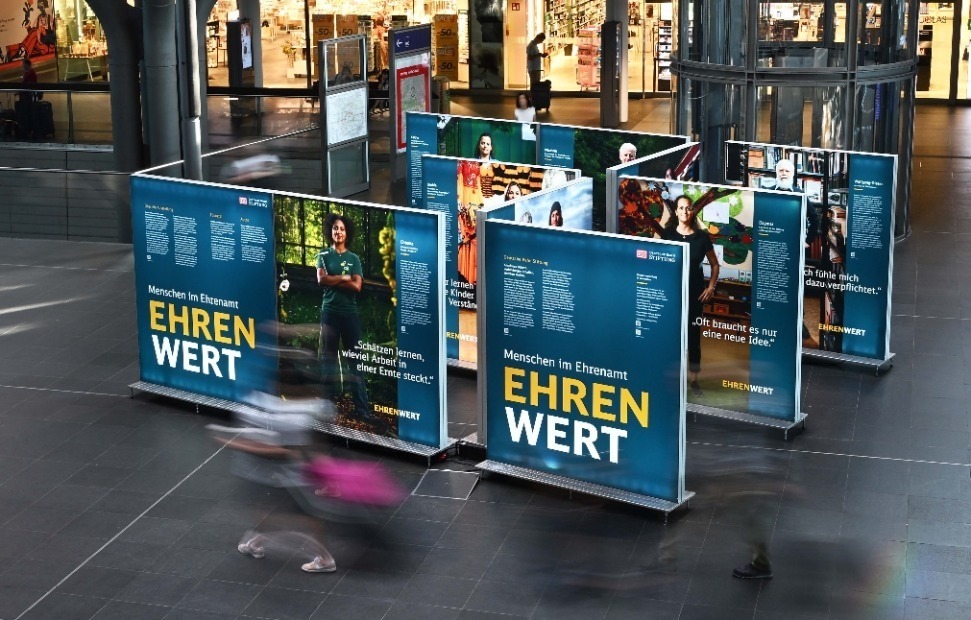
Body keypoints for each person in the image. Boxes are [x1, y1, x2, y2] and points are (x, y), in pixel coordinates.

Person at [662, 195, 719, 396]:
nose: (685, 212)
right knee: (671, 336)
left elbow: (714, 264)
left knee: (693, 338)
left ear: (692, 211)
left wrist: (711, 287)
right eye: (681, 208)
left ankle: (694, 381)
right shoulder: (668, 235)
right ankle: (672, 379)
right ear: (676, 211)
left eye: (688, 208)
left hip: (695, 295)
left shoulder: (702, 237)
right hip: (672, 294)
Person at [316, 214, 370, 422]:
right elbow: (321, 280)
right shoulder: (323, 256)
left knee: (355, 362)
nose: (338, 232)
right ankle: (327, 406)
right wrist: (344, 277)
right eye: (335, 228)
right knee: (328, 360)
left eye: (342, 229)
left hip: (350, 315)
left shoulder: (354, 259)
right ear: (331, 231)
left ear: (347, 234)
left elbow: (357, 286)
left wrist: (334, 279)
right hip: (329, 313)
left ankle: (362, 409)